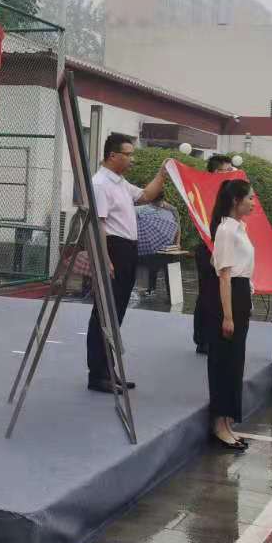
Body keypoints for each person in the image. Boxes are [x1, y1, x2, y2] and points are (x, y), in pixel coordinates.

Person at [86, 132, 167, 393]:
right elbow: (98, 224)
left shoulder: (120, 182)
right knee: (104, 312)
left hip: (127, 250)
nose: (132, 159)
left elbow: (144, 196)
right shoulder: (100, 184)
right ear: (113, 156)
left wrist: (162, 173)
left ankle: (109, 369)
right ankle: (97, 373)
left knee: (117, 311)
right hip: (113, 249)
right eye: (128, 154)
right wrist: (105, 259)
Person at [206, 178, 255, 450]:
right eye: (249, 198)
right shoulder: (226, 230)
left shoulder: (240, 229)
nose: (253, 203)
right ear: (236, 201)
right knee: (223, 362)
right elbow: (224, 275)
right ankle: (218, 424)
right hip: (229, 297)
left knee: (235, 361)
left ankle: (227, 422)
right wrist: (228, 315)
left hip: (240, 293)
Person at [193, 154, 237, 355]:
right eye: (225, 171)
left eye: (231, 170)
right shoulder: (202, 192)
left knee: (219, 294)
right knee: (207, 294)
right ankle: (202, 338)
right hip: (207, 249)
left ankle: (215, 335)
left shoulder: (228, 195)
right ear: (214, 172)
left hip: (223, 248)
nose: (229, 174)